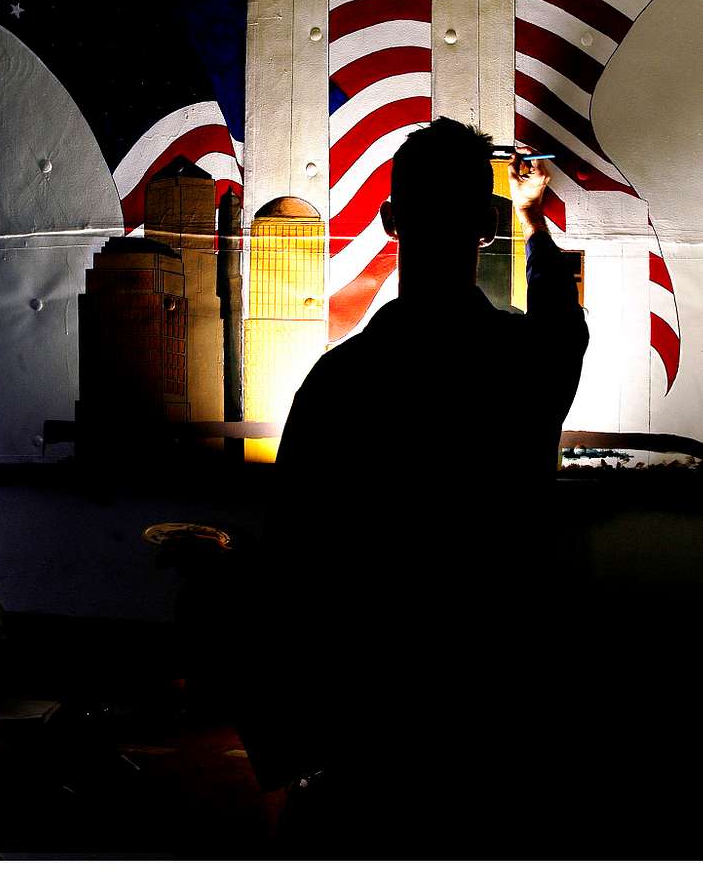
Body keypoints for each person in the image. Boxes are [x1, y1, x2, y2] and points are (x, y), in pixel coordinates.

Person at [240, 118, 590, 856]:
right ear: (484, 226)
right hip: (497, 723)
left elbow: (287, 570)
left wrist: (295, 751)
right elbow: (564, 319)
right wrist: (531, 217)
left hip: (368, 737)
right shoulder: (524, 368)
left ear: (390, 221)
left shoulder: (337, 385)